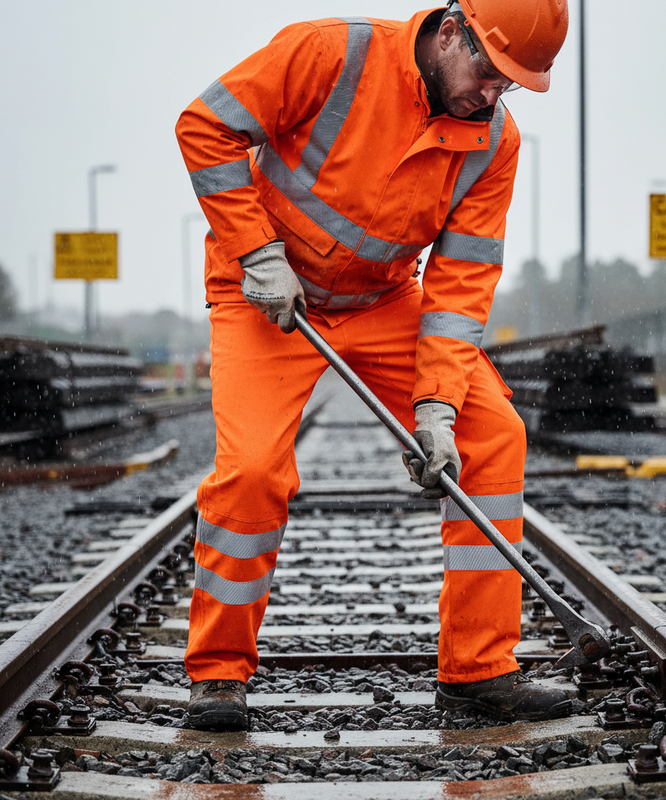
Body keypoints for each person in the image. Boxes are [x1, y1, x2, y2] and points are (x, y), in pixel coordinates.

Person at [176, 0, 570, 731]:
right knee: (254, 470)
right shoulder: (333, 53)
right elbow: (206, 126)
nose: (491, 95)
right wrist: (256, 252)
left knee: (493, 437)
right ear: (451, 32)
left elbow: (460, 282)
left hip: (384, 299)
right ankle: (219, 676)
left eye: (508, 86)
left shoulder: (492, 143)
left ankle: (480, 671)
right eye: (488, 71)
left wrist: (437, 409)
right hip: (266, 295)